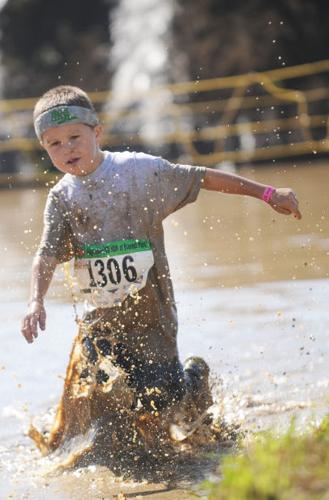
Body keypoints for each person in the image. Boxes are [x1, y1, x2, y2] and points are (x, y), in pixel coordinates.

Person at [21, 85, 302, 457]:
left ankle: (193, 380)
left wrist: (267, 194)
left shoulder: (138, 172)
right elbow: (45, 254)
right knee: (98, 403)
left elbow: (201, 177)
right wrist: (35, 301)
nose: (67, 149)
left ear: (97, 132)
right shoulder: (61, 197)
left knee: (162, 402)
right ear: (44, 149)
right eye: (55, 144)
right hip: (100, 321)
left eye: (75, 137)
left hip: (152, 315)